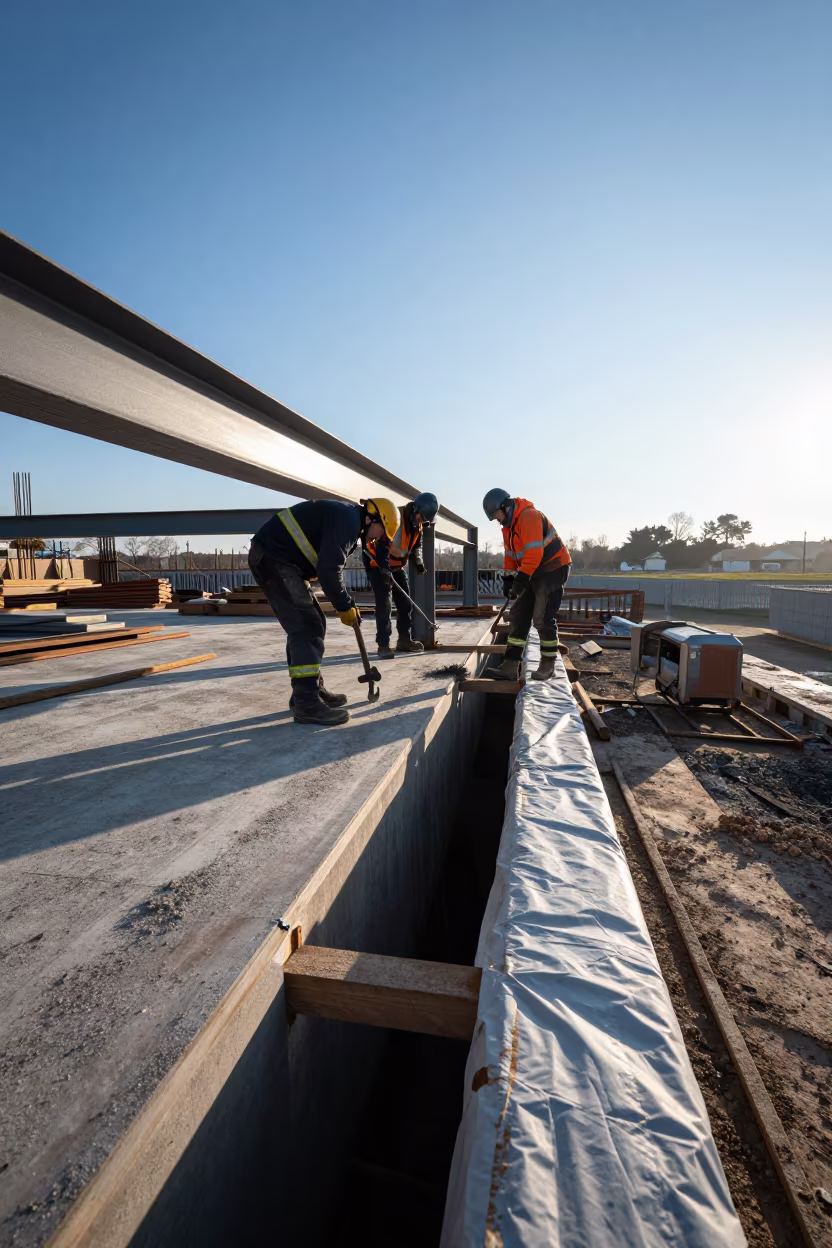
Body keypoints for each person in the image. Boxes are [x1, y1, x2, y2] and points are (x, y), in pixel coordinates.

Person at [248, 497, 399, 724]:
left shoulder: (348, 519)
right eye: (381, 531)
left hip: (283, 561)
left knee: (314, 621)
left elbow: (329, 566)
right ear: (371, 519)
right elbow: (330, 569)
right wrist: (345, 605)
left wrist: (346, 603)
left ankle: (308, 691)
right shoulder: (348, 522)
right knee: (306, 626)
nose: (378, 537)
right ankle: (306, 703)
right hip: (275, 559)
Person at [482, 488, 571, 681]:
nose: (496, 520)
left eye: (496, 515)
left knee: (542, 618)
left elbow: (533, 555)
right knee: (518, 615)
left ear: (505, 506)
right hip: (532, 570)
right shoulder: (507, 526)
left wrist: (520, 582)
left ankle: (548, 665)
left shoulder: (529, 516)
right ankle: (510, 666)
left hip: (552, 568)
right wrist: (508, 580)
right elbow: (510, 556)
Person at [363, 492, 439, 659]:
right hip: (378, 564)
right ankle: (383, 644)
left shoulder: (417, 523)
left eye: (425, 520)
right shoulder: (395, 518)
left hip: (397, 567)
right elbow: (383, 546)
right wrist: (384, 569)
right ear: (415, 510)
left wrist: (418, 561)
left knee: (405, 603)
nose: (422, 522)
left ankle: (404, 640)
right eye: (422, 518)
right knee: (385, 604)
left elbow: (416, 544)